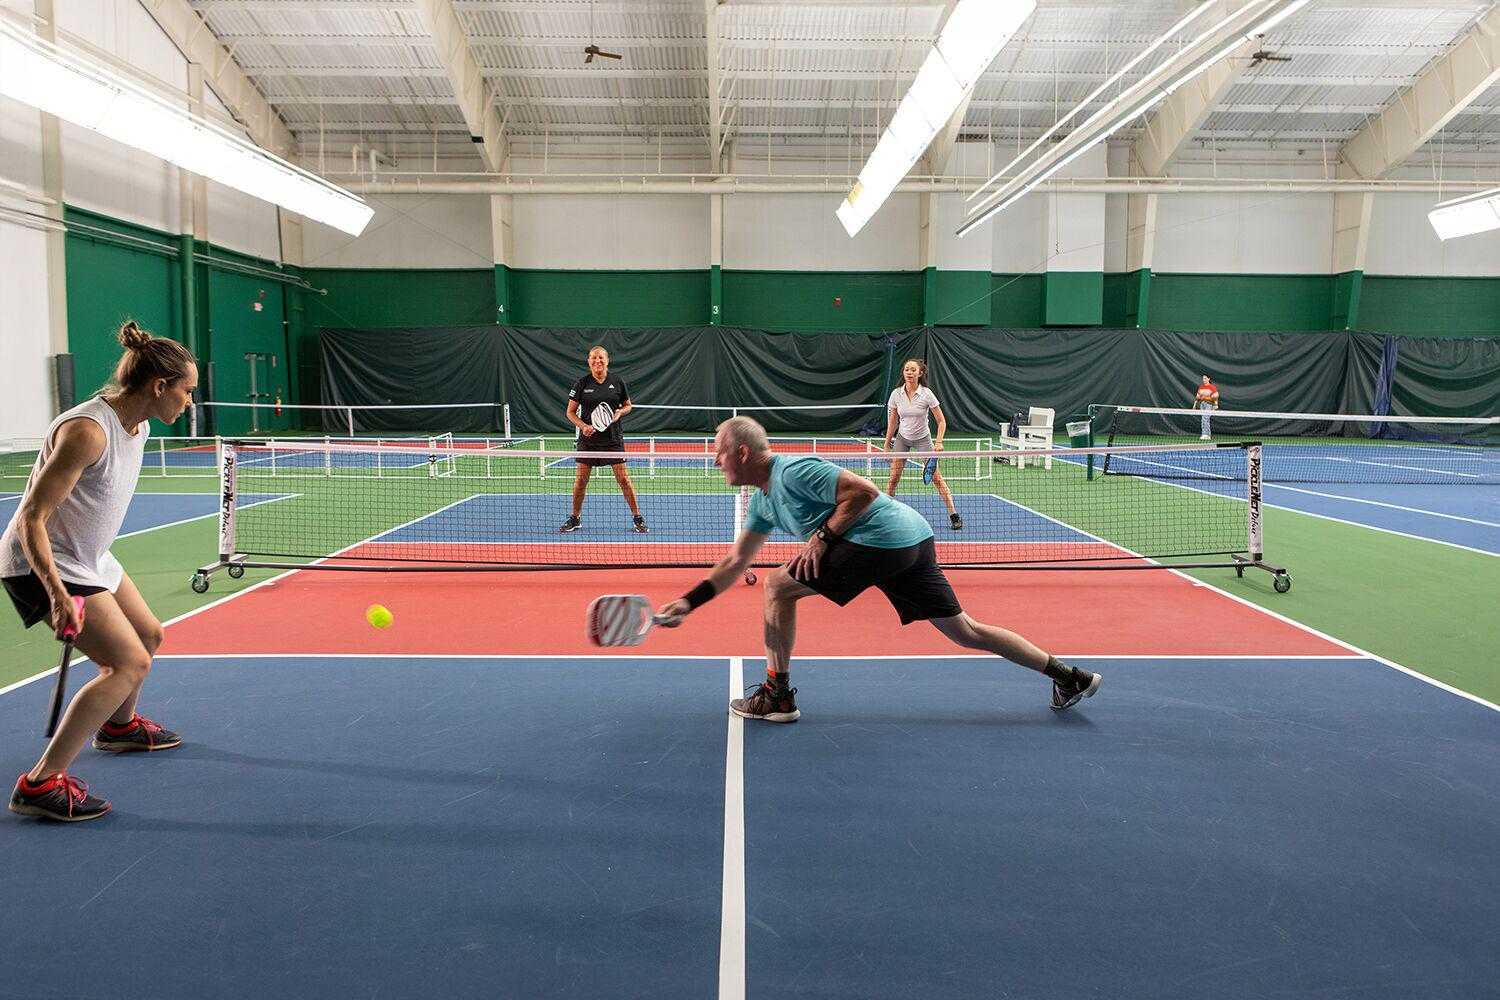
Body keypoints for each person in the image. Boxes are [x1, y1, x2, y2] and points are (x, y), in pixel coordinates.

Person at [656, 416, 1100, 722]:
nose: (714, 461)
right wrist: (688, 602)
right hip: (912, 540)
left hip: (881, 540)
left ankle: (777, 695)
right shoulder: (762, 501)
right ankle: (1069, 677)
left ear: (742, 452)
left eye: (719, 453)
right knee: (965, 631)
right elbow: (736, 562)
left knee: (776, 586)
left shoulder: (792, 472)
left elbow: (863, 491)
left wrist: (822, 536)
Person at [4, 321, 197, 822]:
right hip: (43, 561)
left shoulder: (140, 425)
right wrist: (56, 594)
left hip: (89, 556)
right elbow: (31, 518)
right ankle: (40, 784)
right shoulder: (88, 431)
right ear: (160, 386)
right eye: (187, 391)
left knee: (149, 635)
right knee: (127, 664)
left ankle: (119, 727)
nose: (190, 402)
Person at [560, 346, 648, 534]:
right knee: (580, 481)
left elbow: (628, 406)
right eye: (593, 358)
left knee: (623, 479)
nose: (597, 361)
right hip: (588, 441)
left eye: (600, 357)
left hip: (613, 440)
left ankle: (638, 517)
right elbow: (570, 412)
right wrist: (583, 426)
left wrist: (620, 412)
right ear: (589, 361)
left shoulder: (617, 382)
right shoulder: (581, 383)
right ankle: (575, 518)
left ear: (607, 361)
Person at [882, 358, 962, 531]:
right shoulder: (896, 394)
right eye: (906, 369)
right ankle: (886, 515)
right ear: (903, 372)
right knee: (893, 479)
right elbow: (893, 422)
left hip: (923, 439)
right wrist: (887, 444)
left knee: (937, 478)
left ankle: (954, 515)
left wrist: (938, 442)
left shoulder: (927, 394)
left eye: (913, 370)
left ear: (920, 373)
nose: (909, 373)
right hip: (902, 439)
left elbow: (941, 421)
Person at [1193, 374, 1220, 440]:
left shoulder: (1212, 387)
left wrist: (1216, 405)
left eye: (1205, 378)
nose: (1204, 380)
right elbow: (1198, 397)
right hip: (1202, 404)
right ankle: (1205, 434)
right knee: (1203, 419)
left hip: (1209, 404)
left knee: (1206, 418)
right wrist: (1194, 405)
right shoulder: (1201, 387)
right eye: (1203, 378)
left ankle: (1206, 434)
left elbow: (1216, 396)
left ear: (1208, 379)